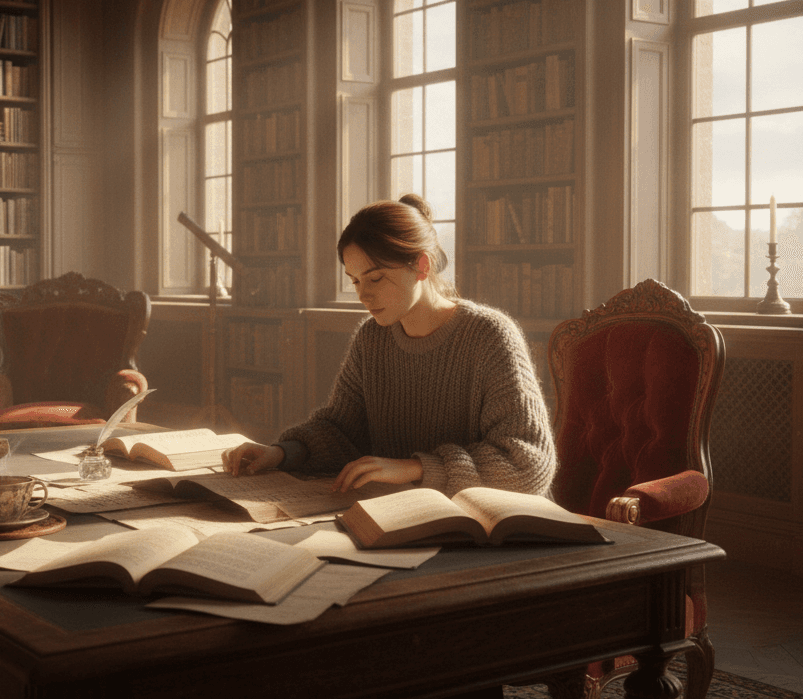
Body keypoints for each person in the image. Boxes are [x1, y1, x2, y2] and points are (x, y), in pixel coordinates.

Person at [222, 194, 556, 498]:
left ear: (421, 266)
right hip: (403, 517)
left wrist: (416, 468)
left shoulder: (490, 335)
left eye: (376, 278)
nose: (363, 296)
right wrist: (282, 453)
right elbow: (342, 432)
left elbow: (528, 465)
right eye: (355, 281)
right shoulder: (372, 338)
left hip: (494, 529)